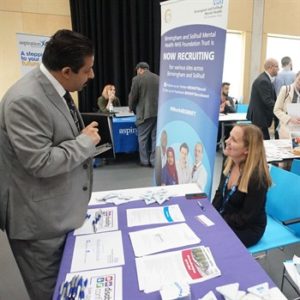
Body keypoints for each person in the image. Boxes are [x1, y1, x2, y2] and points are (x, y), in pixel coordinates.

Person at [0, 29, 100, 300]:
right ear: (66, 71)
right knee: (51, 292)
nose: (91, 76)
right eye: (87, 70)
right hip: (39, 225)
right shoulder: (25, 100)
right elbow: (40, 161)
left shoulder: (55, 88)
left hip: (60, 212)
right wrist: (84, 143)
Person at [212, 124, 272, 247]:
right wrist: (211, 214)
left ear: (247, 149)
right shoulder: (230, 163)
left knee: (211, 241)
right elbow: (220, 193)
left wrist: (218, 221)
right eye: (229, 137)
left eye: (233, 140)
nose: (227, 141)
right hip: (227, 218)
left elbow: (245, 218)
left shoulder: (257, 178)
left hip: (247, 228)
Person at [128, 62, 159, 167]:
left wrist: (130, 107)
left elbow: (133, 96)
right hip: (158, 113)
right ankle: (154, 161)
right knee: (155, 137)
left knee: (142, 138)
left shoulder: (137, 79)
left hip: (144, 113)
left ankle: (144, 161)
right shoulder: (158, 78)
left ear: (140, 69)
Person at [247, 58, 279, 140]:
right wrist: (279, 108)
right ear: (270, 67)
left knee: (261, 142)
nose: (278, 69)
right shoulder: (263, 81)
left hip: (260, 117)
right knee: (263, 142)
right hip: (259, 118)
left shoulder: (266, 79)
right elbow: (267, 100)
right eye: (277, 66)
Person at [274, 71, 300, 139]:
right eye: (299, 79)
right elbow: (276, 110)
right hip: (287, 129)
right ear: (296, 77)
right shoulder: (286, 89)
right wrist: (290, 118)